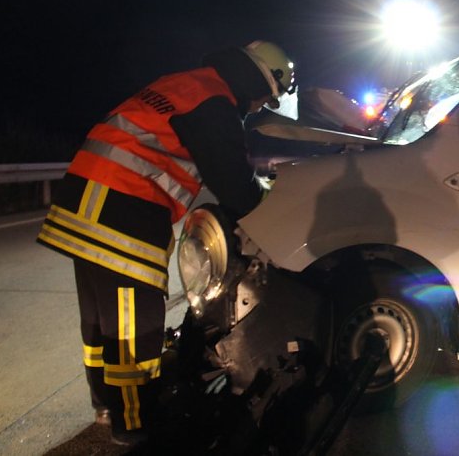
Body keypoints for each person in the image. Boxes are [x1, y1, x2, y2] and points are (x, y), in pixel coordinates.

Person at [36, 40, 296, 446]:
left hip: (85, 199)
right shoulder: (215, 101)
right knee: (135, 326)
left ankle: (107, 404)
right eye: (267, 99)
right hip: (121, 208)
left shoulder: (188, 84)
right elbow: (233, 183)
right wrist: (267, 196)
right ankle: (134, 424)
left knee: (101, 323)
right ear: (260, 80)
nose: (261, 107)